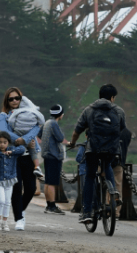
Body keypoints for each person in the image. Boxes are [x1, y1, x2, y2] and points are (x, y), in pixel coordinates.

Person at [70, 83, 127, 223]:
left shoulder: (89, 110)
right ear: (112, 98)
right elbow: (122, 129)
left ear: (100, 96)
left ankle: (87, 212)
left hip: (93, 149)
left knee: (90, 176)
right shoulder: (119, 111)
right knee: (107, 165)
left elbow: (77, 130)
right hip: (111, 149)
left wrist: (72, 142)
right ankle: (114, 193)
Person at [0, 87, 38, 231]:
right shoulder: (4, 115)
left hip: (28, 156)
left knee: (31, 188)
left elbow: (36, 126)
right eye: (11, 99)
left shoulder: (28, 113)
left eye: (17, 98)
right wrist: (22, 140)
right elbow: (4, 132)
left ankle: (19, 210)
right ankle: (19, 219)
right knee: (16, 188)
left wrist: (26, 139)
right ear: (7, 101)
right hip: (12, 156)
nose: (15, 101)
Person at [0, 131, 27, 231]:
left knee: (8, 202)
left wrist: (11, 152)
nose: (2, 144)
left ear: (8, 142)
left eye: (5, 142)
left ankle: (5, 222)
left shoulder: (12, 151)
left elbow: (22, 149)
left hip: (10, 180)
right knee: (1, 201)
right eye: (0, 142)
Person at [6, 95, 46, 178]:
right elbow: (42, 121)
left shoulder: (17, 111)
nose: (14, 101)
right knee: (33, 150)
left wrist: (15, 126)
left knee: (21, 145)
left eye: (17, 99)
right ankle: (37, 167)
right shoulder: (34, 111)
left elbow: (11, 121)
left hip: (18, 132)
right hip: (29, 133)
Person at [40, 105, 70, 215]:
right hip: (54, 156)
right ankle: (52, 207)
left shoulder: (47, 123)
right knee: (52, 183)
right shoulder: (54, 124)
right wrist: (69, 143)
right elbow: (61, 138)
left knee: (48, 182)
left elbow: (39, 134)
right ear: (60, 114)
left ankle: (49, 205)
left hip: (47, 155)